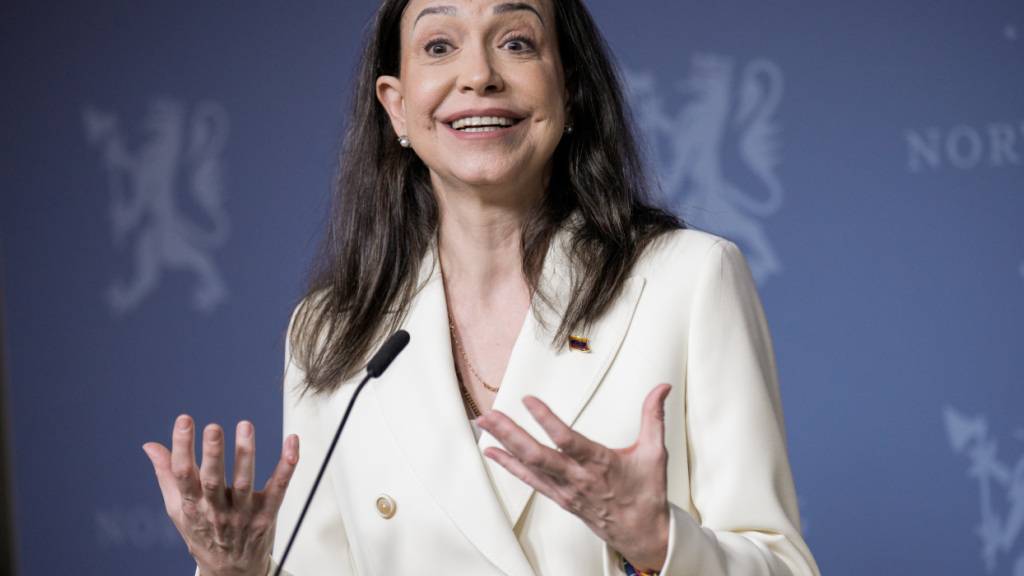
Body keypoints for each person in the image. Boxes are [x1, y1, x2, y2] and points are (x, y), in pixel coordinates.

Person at [143, 0, 821, 574]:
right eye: (439, 45)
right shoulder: (332, 329)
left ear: (570, 90)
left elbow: (782, 563)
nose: (477, 76)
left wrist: (660, 542)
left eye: (517, 42)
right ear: (398, 107)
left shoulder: (688, 278)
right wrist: (234, 571)